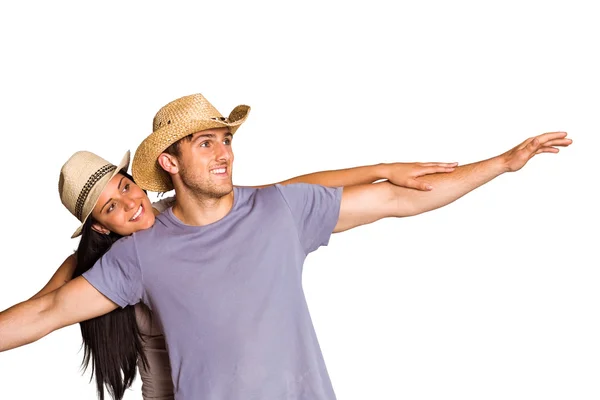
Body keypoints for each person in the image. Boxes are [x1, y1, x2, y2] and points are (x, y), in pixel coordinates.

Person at [0, 93, 572, 400]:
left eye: (226, 140)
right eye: (207, 143)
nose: (224, 153)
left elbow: (400, 199)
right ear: (170, 163)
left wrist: (501, 163)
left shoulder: (280, 210)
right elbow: (48, 309)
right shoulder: (137, 253)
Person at [33, 150, 456, 400]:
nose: (129, 204)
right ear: (100, 228)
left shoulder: (183, 215)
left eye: (125, 186)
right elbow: (44, 308)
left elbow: (287, 190)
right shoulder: (103, 265)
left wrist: (381, 169)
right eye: (110, 207)